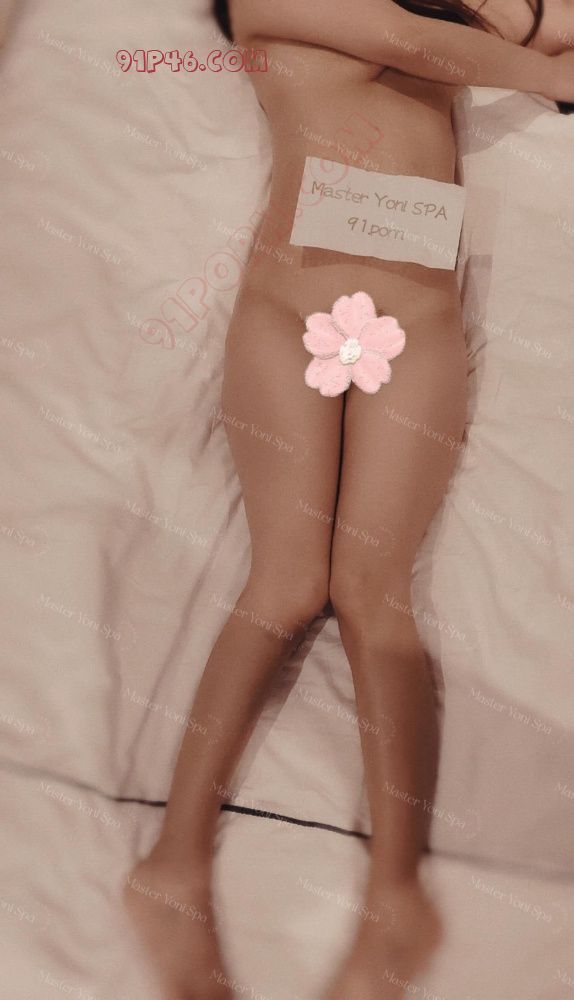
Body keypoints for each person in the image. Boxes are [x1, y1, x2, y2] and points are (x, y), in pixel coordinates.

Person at [123, 2, 574, 997]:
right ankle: (174, 862)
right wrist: (546, 75)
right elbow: (406, 45)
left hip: (417, 318)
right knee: (284, 585)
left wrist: (534, 32)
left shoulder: (455, 10)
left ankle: (396, 892)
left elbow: (511, 29)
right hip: (288, 309)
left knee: (376, 594)